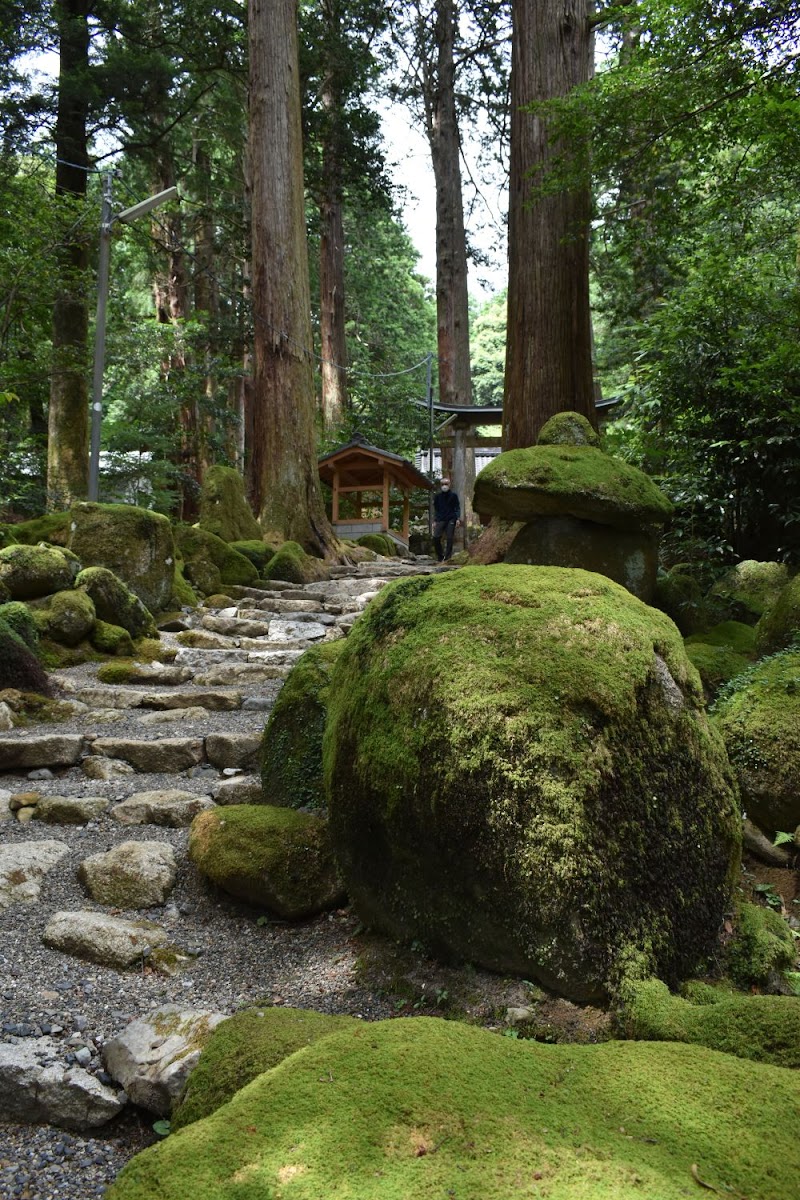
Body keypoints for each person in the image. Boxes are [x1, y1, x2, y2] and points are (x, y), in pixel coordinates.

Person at [432, 477, 460, 561]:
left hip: (451, 518)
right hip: (440, 519)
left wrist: (457, 518)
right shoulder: (437, 496)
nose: (444, 486)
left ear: (449, 485)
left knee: (450, 537)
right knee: (436, 537)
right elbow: (436, 509)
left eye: (446, 484)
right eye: (443, 484)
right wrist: (435, 520)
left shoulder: (454, 496)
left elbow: (457, 507)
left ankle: (447, 557)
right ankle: (440, 556)